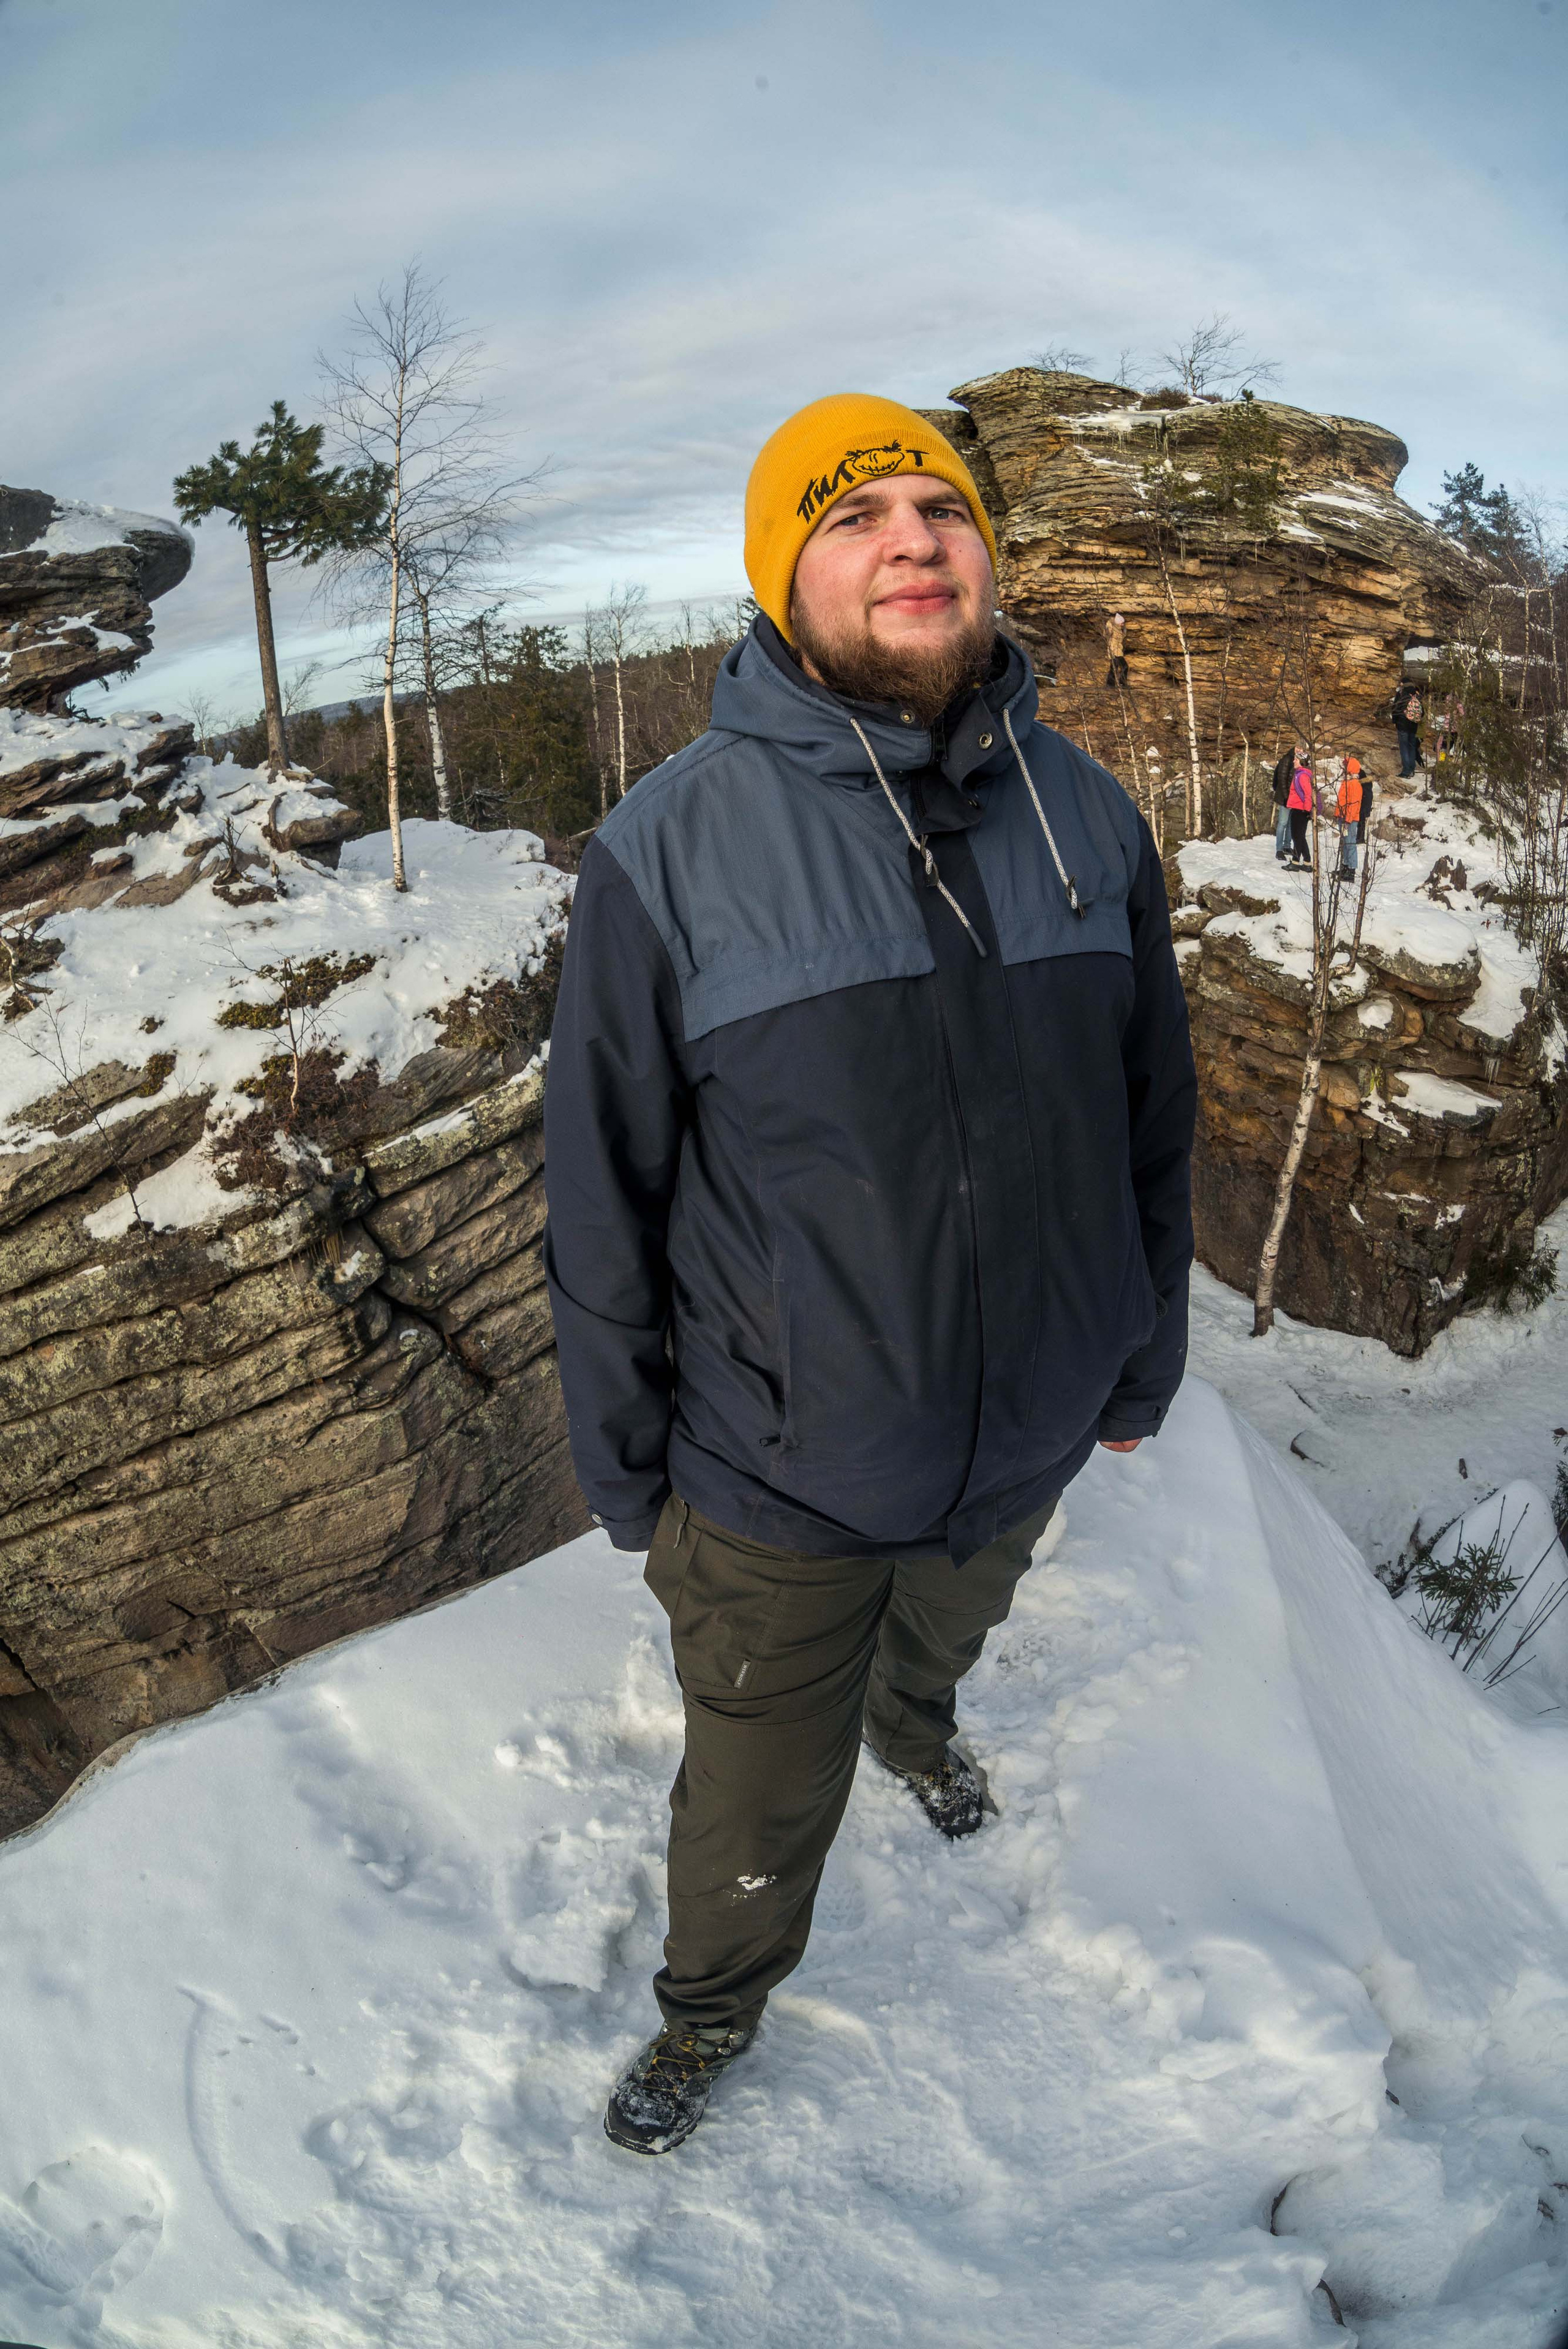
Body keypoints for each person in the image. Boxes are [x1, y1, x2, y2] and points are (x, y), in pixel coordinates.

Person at [543, 392, 1197, 2157]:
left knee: (948, 1631)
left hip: (1033, 1426)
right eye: (856, 518)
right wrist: (636, 1477)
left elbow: (1154, 1117)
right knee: (753, 1799)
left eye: (940, 505)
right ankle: (714, 2007)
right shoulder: (669, 850)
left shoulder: (1092, 817)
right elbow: (603, 1191)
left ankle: (923, 1720)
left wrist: (1135, 1360)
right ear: (784, 576)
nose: (914, 536)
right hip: (779, 1481)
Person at [1335, 755, 1365, 878]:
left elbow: (1354, 804)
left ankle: (1351, 870)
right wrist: (1338, 814)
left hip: (1350, 819)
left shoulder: (1355, 784)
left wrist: (1348, 819)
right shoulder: (1346, 782)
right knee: (1345, 843)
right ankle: (1346, 866)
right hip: (1343, 817)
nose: (1344, 767)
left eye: (1346, 764)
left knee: (1350, 843)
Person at [1270, 744, 1300, 861]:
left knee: (1290, 823)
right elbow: (1282, 779)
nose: (1301, 751)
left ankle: (1287, 846)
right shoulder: (1287, 759)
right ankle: (1279, 849)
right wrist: (1287, 797)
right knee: (1283, 822)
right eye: (1299, 748)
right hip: (1285, 797)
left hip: (1294, 798)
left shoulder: (1300, 761)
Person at [1286, 754, 1314, 866]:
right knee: (1300, 836)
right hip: (1299, 809)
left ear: (1301, 762)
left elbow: (1308, 794)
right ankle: (1307, 862)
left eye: (1296, 759)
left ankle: (1296, 861)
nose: (1294, 761)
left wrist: (1307, 811)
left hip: (1300, 810)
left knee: (1297, 836)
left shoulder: (1302, 776)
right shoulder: (1299, 774)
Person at [1392, 679, 1423, 779]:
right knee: (1412, 747)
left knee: (1404, 747)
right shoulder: (1417, 696)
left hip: (1402, 725)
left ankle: (1406, 771)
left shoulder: (1402, 695)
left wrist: (1395, 721)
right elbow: (1423, 713)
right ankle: (1412, 769)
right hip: (1414, 726)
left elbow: (1395, 709)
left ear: (1404, 685)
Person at [1104, 609, 1129, 688]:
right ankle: (1121, 684)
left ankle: (1110, 685)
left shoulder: (1119, 629)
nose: (1122, 625)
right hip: (1114, 652)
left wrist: (1124, 631)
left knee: (1114, 668)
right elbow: (1107, 635)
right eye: (1121, 623)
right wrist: (1109, 625)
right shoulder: (1111, 627)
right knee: (1124, 667)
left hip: (1118, 651)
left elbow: (1121, 638)